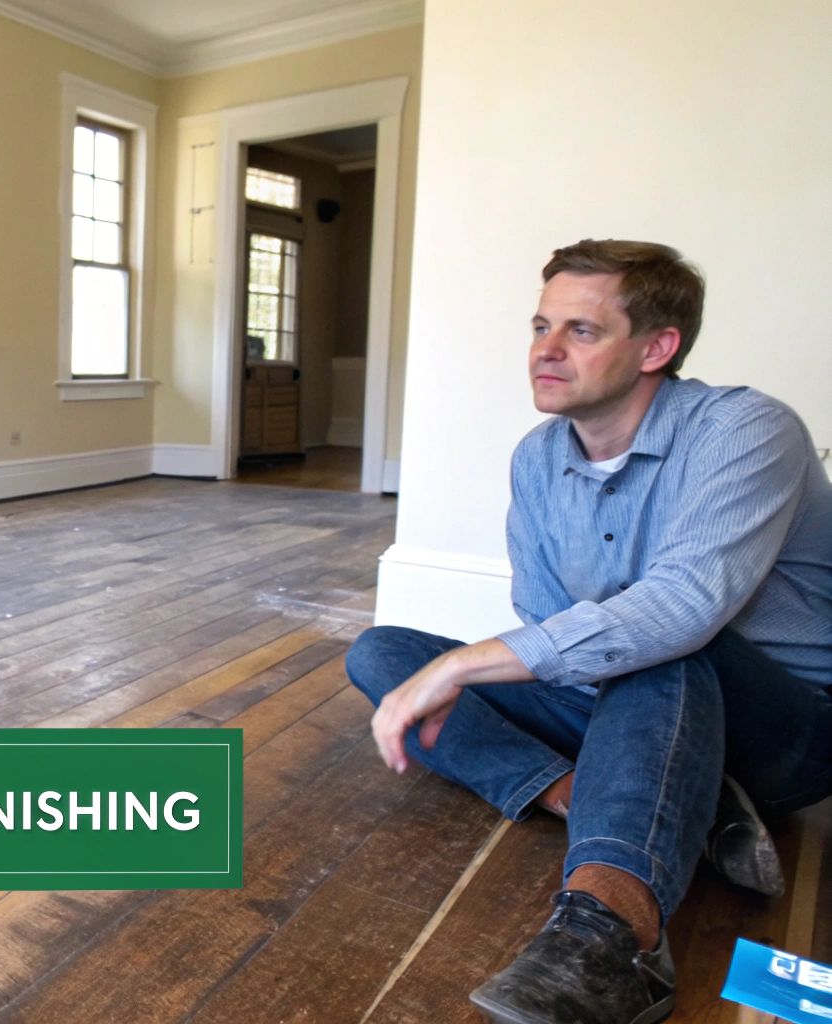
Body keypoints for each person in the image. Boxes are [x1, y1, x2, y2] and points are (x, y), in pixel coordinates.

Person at [346, 239, 832, 1024]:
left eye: (581, 330)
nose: (545, 350)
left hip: (782, 731)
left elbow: (680, 609)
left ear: (657, 347)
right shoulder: (538, 458)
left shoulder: (747, 429)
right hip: (629, 708)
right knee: (384, 654)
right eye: (541, 326)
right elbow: (547, 621)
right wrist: (449, 668)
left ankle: (610, 939)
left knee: (661, 644)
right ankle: (606, 798)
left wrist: (463, 669)